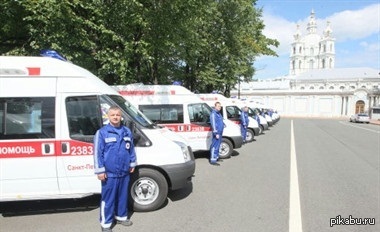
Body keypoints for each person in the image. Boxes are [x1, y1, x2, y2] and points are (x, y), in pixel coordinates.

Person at [94, 105, 137, 232]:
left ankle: (121, 216)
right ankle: (106, 224)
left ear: (121, 116)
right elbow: (97, 153)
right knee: (108, 199)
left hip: (124, 171)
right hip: (109, 173)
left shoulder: (126, 131)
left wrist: (132, 163)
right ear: (108, 116)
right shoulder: (102, 132)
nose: (115, 117)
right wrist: (100, 170)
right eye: (112, 115)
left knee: (122, 196)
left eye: (117, 115)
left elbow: (131, 149)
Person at [209, 101, 224, 166]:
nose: (219, 107)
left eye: (220, 106)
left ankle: (216, 157)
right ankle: (212, 160)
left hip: (220, 132)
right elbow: (213, 124)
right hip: (217, 133)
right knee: (214, 146)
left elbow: (220, 121)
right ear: (215, 106)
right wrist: (216, 133)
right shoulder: (213, 114)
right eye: (218, 106)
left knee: (218, 146)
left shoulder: (219, 113)